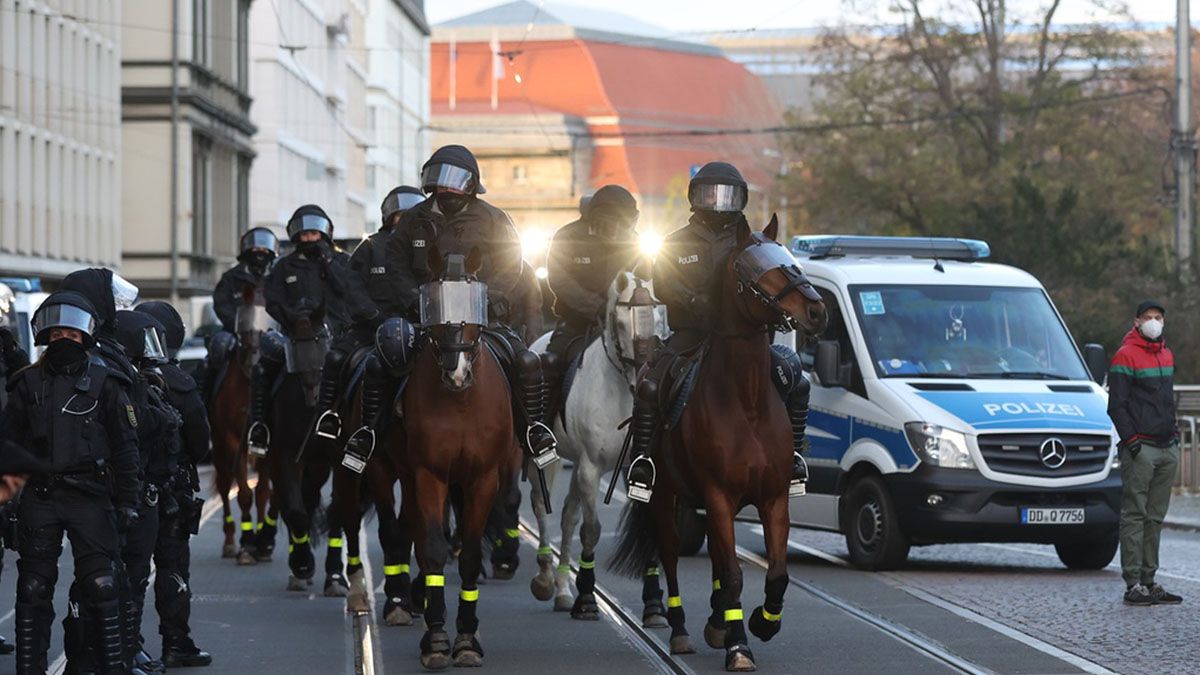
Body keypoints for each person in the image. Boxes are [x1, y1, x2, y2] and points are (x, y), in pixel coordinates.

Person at [624, 162, 810, 502]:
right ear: (695, 197)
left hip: (742, 338)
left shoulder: (754, 243)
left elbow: (772, 284)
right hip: (692, 333)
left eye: (726, 195)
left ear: (740, 199)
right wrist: (692, 302)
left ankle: (794, 456)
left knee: (795, 378)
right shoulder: (675, 241)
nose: (718, 201)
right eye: (710, 193)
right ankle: (644, 462)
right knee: (651, 385)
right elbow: (663, 282)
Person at [387, 145, 558, 467]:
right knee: (385, 354)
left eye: (454, 181)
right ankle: (371, 431)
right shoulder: (414, 219)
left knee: (525, 361)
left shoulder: (494, 219)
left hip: (482, 319)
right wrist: (413, 299)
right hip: (427, 320)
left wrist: (493, 299)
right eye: (439, 181)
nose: (446, 188)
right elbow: (395, 262)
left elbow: (511, 264)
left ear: (471, 184)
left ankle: (533, 429)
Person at [1, 291, 141, 675]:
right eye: (57, 331)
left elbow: (126, 448)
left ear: (85, 336)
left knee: (102, 586)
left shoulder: (107, 383)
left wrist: (129, 500)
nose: (65, 338)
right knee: (32, 589)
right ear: (46, 335)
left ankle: (112, 667)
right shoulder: (25, 384)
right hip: (41, 497)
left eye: (72, 332)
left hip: (90, 496)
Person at [313, 186, 425, 457]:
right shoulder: (370, 247)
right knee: (336, 358)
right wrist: (374, 316)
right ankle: (330, 416)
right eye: (401, 215)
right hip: (371, 328)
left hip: (419, 328)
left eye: (412, 215)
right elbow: (352, 287)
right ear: (389, 217)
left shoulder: (427, 247)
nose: (406, 220)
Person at [135, 302, 213, 667]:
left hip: (129, 491)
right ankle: (176, 642)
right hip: (171, 489)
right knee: (172, 567)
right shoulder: (180, 382)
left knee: (127, 569)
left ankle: (125, 645)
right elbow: (200, 441)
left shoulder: (116, 374)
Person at [246, 205, 351, 455]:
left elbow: (347, 289)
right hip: (294, 337)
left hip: (337, 337)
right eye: (304, 235)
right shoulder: (285, 266)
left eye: (314, 234)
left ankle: (364, 434)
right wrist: (293, 318)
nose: (310, 239)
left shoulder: (340, 261)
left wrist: (328, 262)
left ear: (324, 234)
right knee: (263, 366)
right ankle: (260, 428)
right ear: (296, 237)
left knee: (364, 366)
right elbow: (272, 300)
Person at [542, 185, 641, 422]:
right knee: (552, 362)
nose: (618, 231)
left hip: (623, 325)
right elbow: (559, 278)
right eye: (613, 224)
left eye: (624, 225)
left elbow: (643, 280)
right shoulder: (568, 236)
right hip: (577, 323)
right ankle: (541, 427)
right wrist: (594, 305)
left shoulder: (635, 242)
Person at [1108, 300, 1183, 606]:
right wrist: (1133, 442)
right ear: (1136, 321)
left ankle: (1149, 580)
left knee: (1155, 517)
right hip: (1141, 448)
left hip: (1166, 446)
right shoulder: (1125, 355)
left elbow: (1166, 401)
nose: (1154, 322)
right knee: (1134, 514)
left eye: (1159, 317)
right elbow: (1117, 406)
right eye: (1148, 317)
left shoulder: (1166, 353)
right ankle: (1132, 584)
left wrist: (1175, 436)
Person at [202, 228, 279, 404]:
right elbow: (221, 304)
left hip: (272, 334)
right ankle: (204, 401)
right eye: (256, 247)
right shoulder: (231, 277)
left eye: (264, 247)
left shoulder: (277, 276)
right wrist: (237, 324)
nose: (260, 251)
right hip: (236, 332)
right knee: (218, 347)